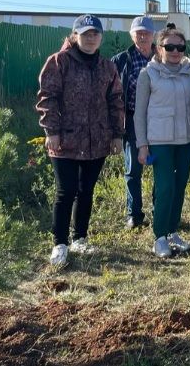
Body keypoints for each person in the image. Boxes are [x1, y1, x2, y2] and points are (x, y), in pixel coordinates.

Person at [37, 14, 124, 267]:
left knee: (86, 191)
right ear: (75, 36)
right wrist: (51, 131)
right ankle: (60, 243)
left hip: (97, 140)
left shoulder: (107, 67)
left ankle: (80, 238)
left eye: (95, 34)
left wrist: (117, 134)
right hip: (65, 140)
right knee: (66, 191)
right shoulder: (59, 62)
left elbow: (115, 101)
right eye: (86, 34)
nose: (91, 38)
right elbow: (47, 97)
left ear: (100, 37)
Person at [134, 27, 190, 258]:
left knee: (179, 186)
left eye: (180, 47)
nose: (175, 51)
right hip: (160, 141)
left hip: (186, 139)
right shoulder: (148, 74)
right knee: (165, 187)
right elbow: (139, 113)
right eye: (169, 47)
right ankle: (159, 236)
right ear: (159, 48)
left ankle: (173, 232)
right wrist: (142, 145)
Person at [111, 15, 156, 229]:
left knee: (161, 166)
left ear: (153, 35)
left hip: (159, 120)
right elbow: (110, 93)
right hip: (131, 119)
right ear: (132, 35)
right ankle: (134, 213)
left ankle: (160, 209)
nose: (142, 36)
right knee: (133, 169)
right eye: (138, 32)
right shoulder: (121, 60)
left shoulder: (162, 56)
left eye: (146, 32)